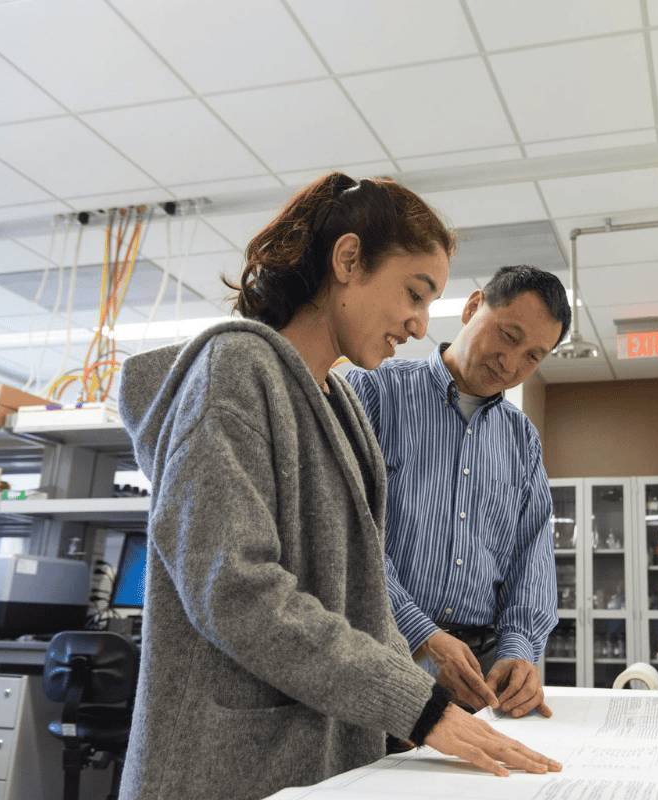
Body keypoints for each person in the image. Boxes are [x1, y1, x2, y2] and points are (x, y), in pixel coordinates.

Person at [116, 174, 560, 800]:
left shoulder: (339, 403)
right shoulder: (235, 372)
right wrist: (421, 706)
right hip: (226, 764)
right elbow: (236, 589)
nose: (416, 324)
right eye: (415, 292)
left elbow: (360, 587)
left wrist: (420, 705)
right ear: (348, 260)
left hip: (321, 750)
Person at [347, 265, 569, 720]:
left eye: (532, 356)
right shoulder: (373, 393)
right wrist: (421, 633)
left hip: (481, 677)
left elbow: (531, 552)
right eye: (508, 335)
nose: (511, 363)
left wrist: (521, 649)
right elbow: (348, 532)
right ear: (473, 307)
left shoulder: (521, 438)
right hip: (383, 660)